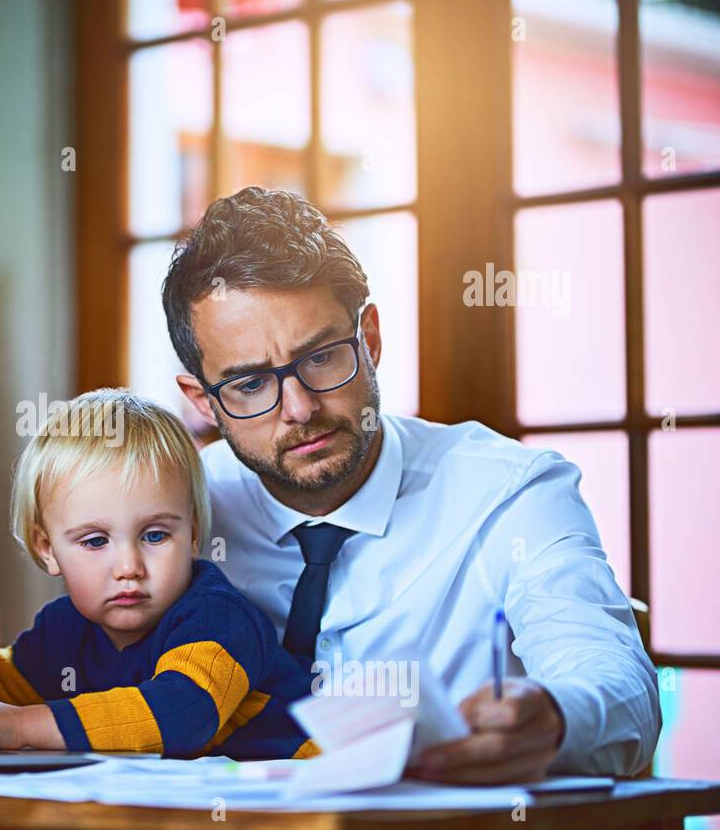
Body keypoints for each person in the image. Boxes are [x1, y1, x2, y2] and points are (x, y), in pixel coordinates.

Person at [162, 186, 660, 781]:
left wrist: (554, 716)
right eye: (249, 385)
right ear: (202, 400)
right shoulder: (180, 510)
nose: (298, 408)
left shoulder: (511, 492)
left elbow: (616, 680)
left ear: (369, 338)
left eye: (321, 357)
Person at [0, 388, 318, 760]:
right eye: (94, 542)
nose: (128, 567)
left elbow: (181, 716)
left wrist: (20, 725)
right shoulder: (63, 630)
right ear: (47, 549)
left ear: (192, 536)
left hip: (316, 791)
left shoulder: (218, 618)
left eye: (154, 535)